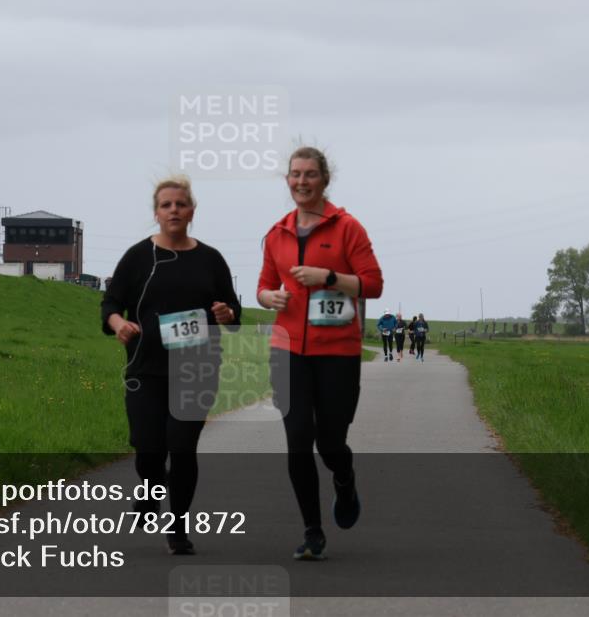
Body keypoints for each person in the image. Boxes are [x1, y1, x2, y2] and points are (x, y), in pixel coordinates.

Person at [101, 175, 241, 555]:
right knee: (148, 449)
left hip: (197, 368)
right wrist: (118, 324)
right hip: (146, 368)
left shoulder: (210, 259)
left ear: (192, 211)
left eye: (181, 204)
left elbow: (232, 309)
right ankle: (151, 490)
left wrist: (227, 312)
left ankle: (178, 527)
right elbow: (111, 304)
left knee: (181, 449)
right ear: (156, 213)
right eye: (166, 205)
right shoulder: (138, 257)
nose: (174, 210)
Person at [257, 146, 383, 560]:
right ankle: (312, 531)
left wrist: (328, 277)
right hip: (288, 350)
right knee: (297, 440)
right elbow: (263, 287)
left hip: (337, 353)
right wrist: (270, 297)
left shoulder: (348, 228)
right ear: (287, 180)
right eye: (295, 174)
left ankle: (344, 480)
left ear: (324, 180)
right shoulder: (276, 234)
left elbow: (373, 284)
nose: (302, 181)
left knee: (330, 443)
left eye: (310, 174)